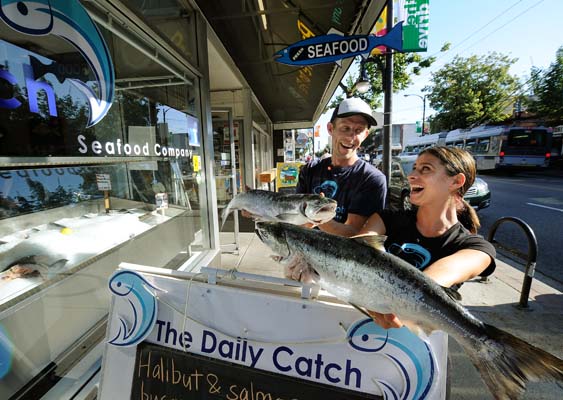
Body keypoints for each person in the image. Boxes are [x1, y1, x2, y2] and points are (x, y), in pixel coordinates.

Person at [355, 146, 496, 329]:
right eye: (414, 168)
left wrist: (388, 300)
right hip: (357, 328)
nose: (411, 175)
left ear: (456, 181)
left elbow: (430, 282)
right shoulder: (386, 220)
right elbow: (354, 254)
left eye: (425, 169)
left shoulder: (475, 248)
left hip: (418, 346)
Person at [296, 97, 387, 236]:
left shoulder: (372, 179)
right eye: (345, 128)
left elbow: (355, 233)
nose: (351, 137)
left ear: (366, 135)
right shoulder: (309, 170)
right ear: (330, 128)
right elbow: (298, 222)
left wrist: (318, 215)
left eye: (359, 130)